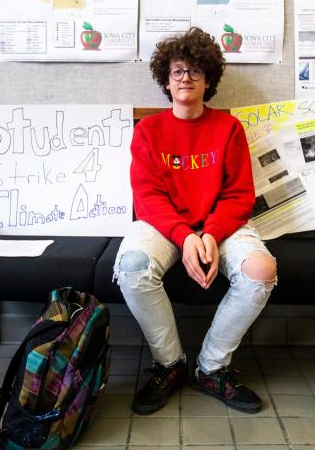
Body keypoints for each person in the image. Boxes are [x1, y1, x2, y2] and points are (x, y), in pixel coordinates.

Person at [114, 27, 277, 415]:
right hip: (163, 226)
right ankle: (170, 365)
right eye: (177, 71)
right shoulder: (149, 131)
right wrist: (186, 236)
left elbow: (239, 196)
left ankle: (212, 367)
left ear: (208, 80)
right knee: (131, 266)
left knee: (261, 268)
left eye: (195, 71)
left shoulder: (229, 128)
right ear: (166, 81)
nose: (185, 78)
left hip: (221, 226)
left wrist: (212, 233)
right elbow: (148, 198)